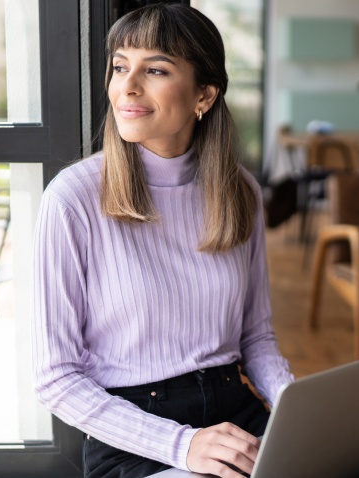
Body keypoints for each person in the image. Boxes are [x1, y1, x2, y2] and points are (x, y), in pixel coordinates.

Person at [32, 4, 294, 478]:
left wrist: (298, 410)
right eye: (119, 66)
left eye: (154, 69)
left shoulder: (241, 191)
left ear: (204, 95)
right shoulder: (72, 199)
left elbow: (256, 338)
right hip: (135, 433)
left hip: (237, 413)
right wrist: (183, 445)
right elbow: (57, 378)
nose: (126, 86)